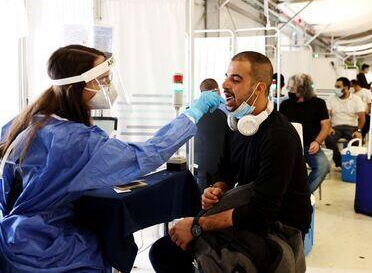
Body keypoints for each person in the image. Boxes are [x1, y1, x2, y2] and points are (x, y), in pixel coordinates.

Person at [0, 45, 223, 273]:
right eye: (103, 80)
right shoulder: (77, 141)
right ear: (79, 85)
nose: (109, 87)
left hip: (12, 239)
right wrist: (193, 113)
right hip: (52, 248)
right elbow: (145, 155)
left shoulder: (25, 122)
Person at [149, 51, 311, 273]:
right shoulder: (237, 124)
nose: (224, 84)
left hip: (277, 227)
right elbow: (225, 171)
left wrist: (197, 227)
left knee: (172, 252)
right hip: (250, 213)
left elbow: (261, 213)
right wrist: (216, 188)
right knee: (164, 250)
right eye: (226, 76)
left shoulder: (279, 136)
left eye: (235, 79)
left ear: (260, 89)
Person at [280, 73, 331, 193]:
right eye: (289, 88)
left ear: (303, 89)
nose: (289, 91)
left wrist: (317, 142)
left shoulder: (319, 103)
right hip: (289, 146)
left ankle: (302, 195)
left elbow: (326, 126)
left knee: (323, 166)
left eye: (293, 89)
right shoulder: (285, 105)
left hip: (310, 146)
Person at [194, 78, 228, 192]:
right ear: (217, 91)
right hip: (221, 159)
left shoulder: (194, 108)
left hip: (199, 160)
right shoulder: (227, 107)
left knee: (200, 192)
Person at [325, 77, 366, 168]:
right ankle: (340, 162)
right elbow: (326, 116)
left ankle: (353, 163)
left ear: (346, 87)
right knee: (328, 139)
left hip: (351, 127)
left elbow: (362, 117)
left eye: (338, 86)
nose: (336, 89)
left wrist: (359, 131)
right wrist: (329, 127)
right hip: (335, 127)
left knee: (357, 141)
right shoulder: (331, 99)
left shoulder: (356, 99)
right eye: (335, 86)